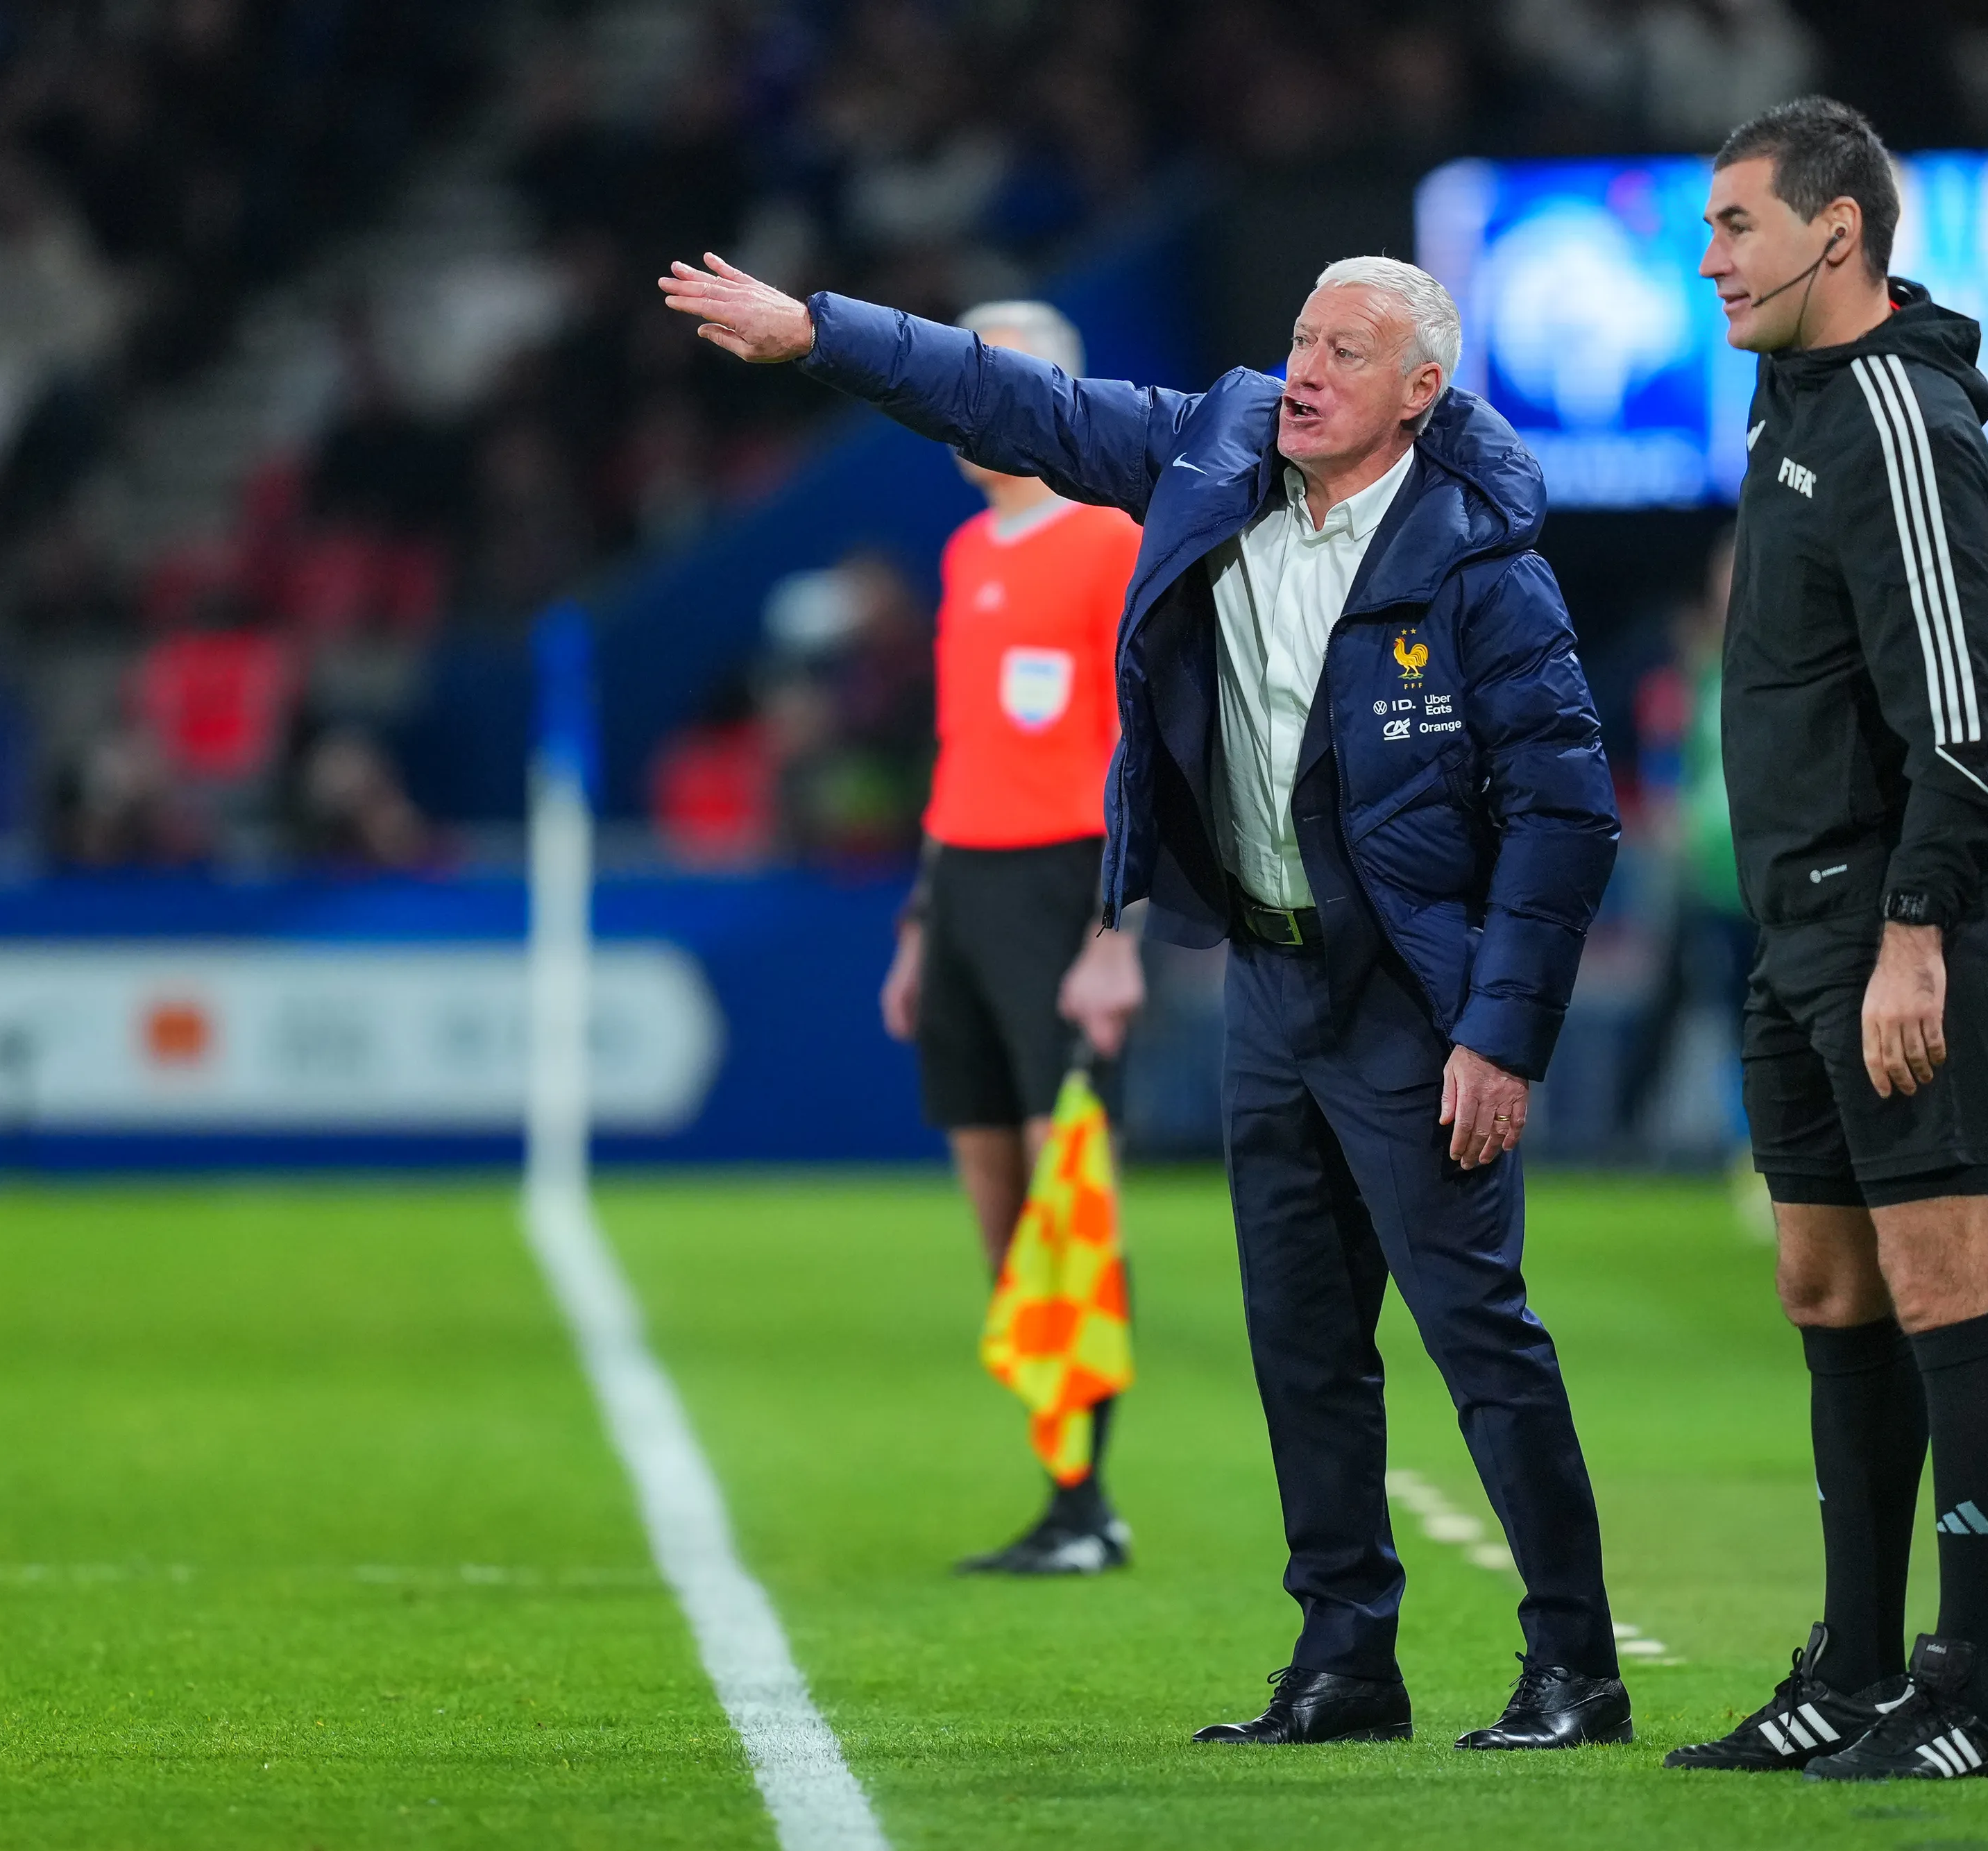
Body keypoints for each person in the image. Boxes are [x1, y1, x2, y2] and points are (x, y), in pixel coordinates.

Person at [663, 250, 1630, 1750]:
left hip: (1413, 1004)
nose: (1305, 370)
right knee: (1299, 1341)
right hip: (1267, 979)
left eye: (1347, 352)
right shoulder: (1215, 451)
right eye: (1300, 336)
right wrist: (816, 332)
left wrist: (1499, 1035)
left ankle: (1574, 1665)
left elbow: (1566, 818)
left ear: (1420, 393)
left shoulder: (1484, 570)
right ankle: (1343, 1660)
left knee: (1477, 1338)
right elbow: (1018, 401)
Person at [1666, 96, 1988, 1784]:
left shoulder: (1894, 410)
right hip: (1795, 922)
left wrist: (1913, 931)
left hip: (1898, 924)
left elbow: (1959, 712)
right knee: (1824, 1280)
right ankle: (1858, 1665)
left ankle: (1964, 1692)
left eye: (1733, 223)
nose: (1707, 258)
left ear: (1836, 232)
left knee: (1945, 1277)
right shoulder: (1794, 396)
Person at [872, 300, 1148, 1575]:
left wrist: (1115, 934)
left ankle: (1087, 1505)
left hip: (1063, 892)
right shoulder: (970, 550)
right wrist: (919, 923)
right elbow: (963, 747)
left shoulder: (1113, 540)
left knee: (1066, 1200)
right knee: (997, 1207)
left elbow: (1144, 753)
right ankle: (1062, 1485)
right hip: (967, 891)